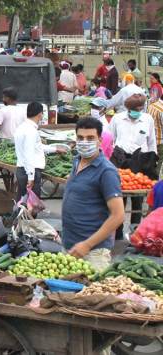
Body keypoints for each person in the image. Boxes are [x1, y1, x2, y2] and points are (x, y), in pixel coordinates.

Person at [62, 118, 124, 271]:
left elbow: (118, 215)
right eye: (80, 138)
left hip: (93, 252)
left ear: (100, 140)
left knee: (90, 294)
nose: (84, 142)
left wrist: (87, 244)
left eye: (90, 138)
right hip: (70, 247)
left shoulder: (106, 171)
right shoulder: (77, 161)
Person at [109, 94, 158, 231]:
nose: (137, 111)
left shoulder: (147, 119)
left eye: (140, 109)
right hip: (120, 159)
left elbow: (151, 143)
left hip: (140, 160)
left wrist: (152, 162)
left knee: (138, 197)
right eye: (134, 109)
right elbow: (109, 138)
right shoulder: (117, 118)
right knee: (119, 197)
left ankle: (135, 231)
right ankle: (117, 232)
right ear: (127, 108)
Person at [14, 102, 65, 202]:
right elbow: (29, 154)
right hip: (29, 171)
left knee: (22, 202)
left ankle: (19, 217)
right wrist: (31, 177)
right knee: (31, 206)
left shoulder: (22, 128)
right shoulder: (31, 131)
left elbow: (36, 147)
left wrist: (55, 149)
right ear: (40, 114)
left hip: (22, 169)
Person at [146, 92, 163, 175]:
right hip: (160, 141)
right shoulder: (161, 110)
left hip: (149, 139)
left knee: (150, 163)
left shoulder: (151, 105)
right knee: (158, 165)